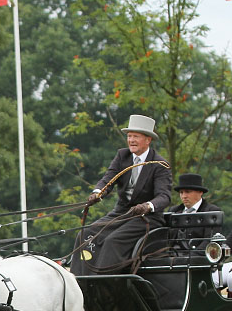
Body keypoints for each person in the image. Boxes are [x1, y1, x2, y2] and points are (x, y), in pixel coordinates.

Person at [72, 114, 173, 273]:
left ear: (148, 140)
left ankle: (104, 283)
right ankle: (79, 281)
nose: (131, 140)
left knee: (113, 240)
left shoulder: (159, 164)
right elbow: (108, 179)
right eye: (129, 136)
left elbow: (164, 196)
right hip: (121, 213)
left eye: (136, 136)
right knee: (85, 234)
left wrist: (147, 206)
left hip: (146, 218)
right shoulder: (122, 156)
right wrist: (97, 193)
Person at [167, 173, 223, 249]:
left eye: (188, 192)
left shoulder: (211, 211)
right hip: (172, 256)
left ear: (200, 192)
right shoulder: (173, 211)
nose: (184, 196)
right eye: (181, 192)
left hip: (197, 257)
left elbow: (209, 241)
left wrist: (192, 256)